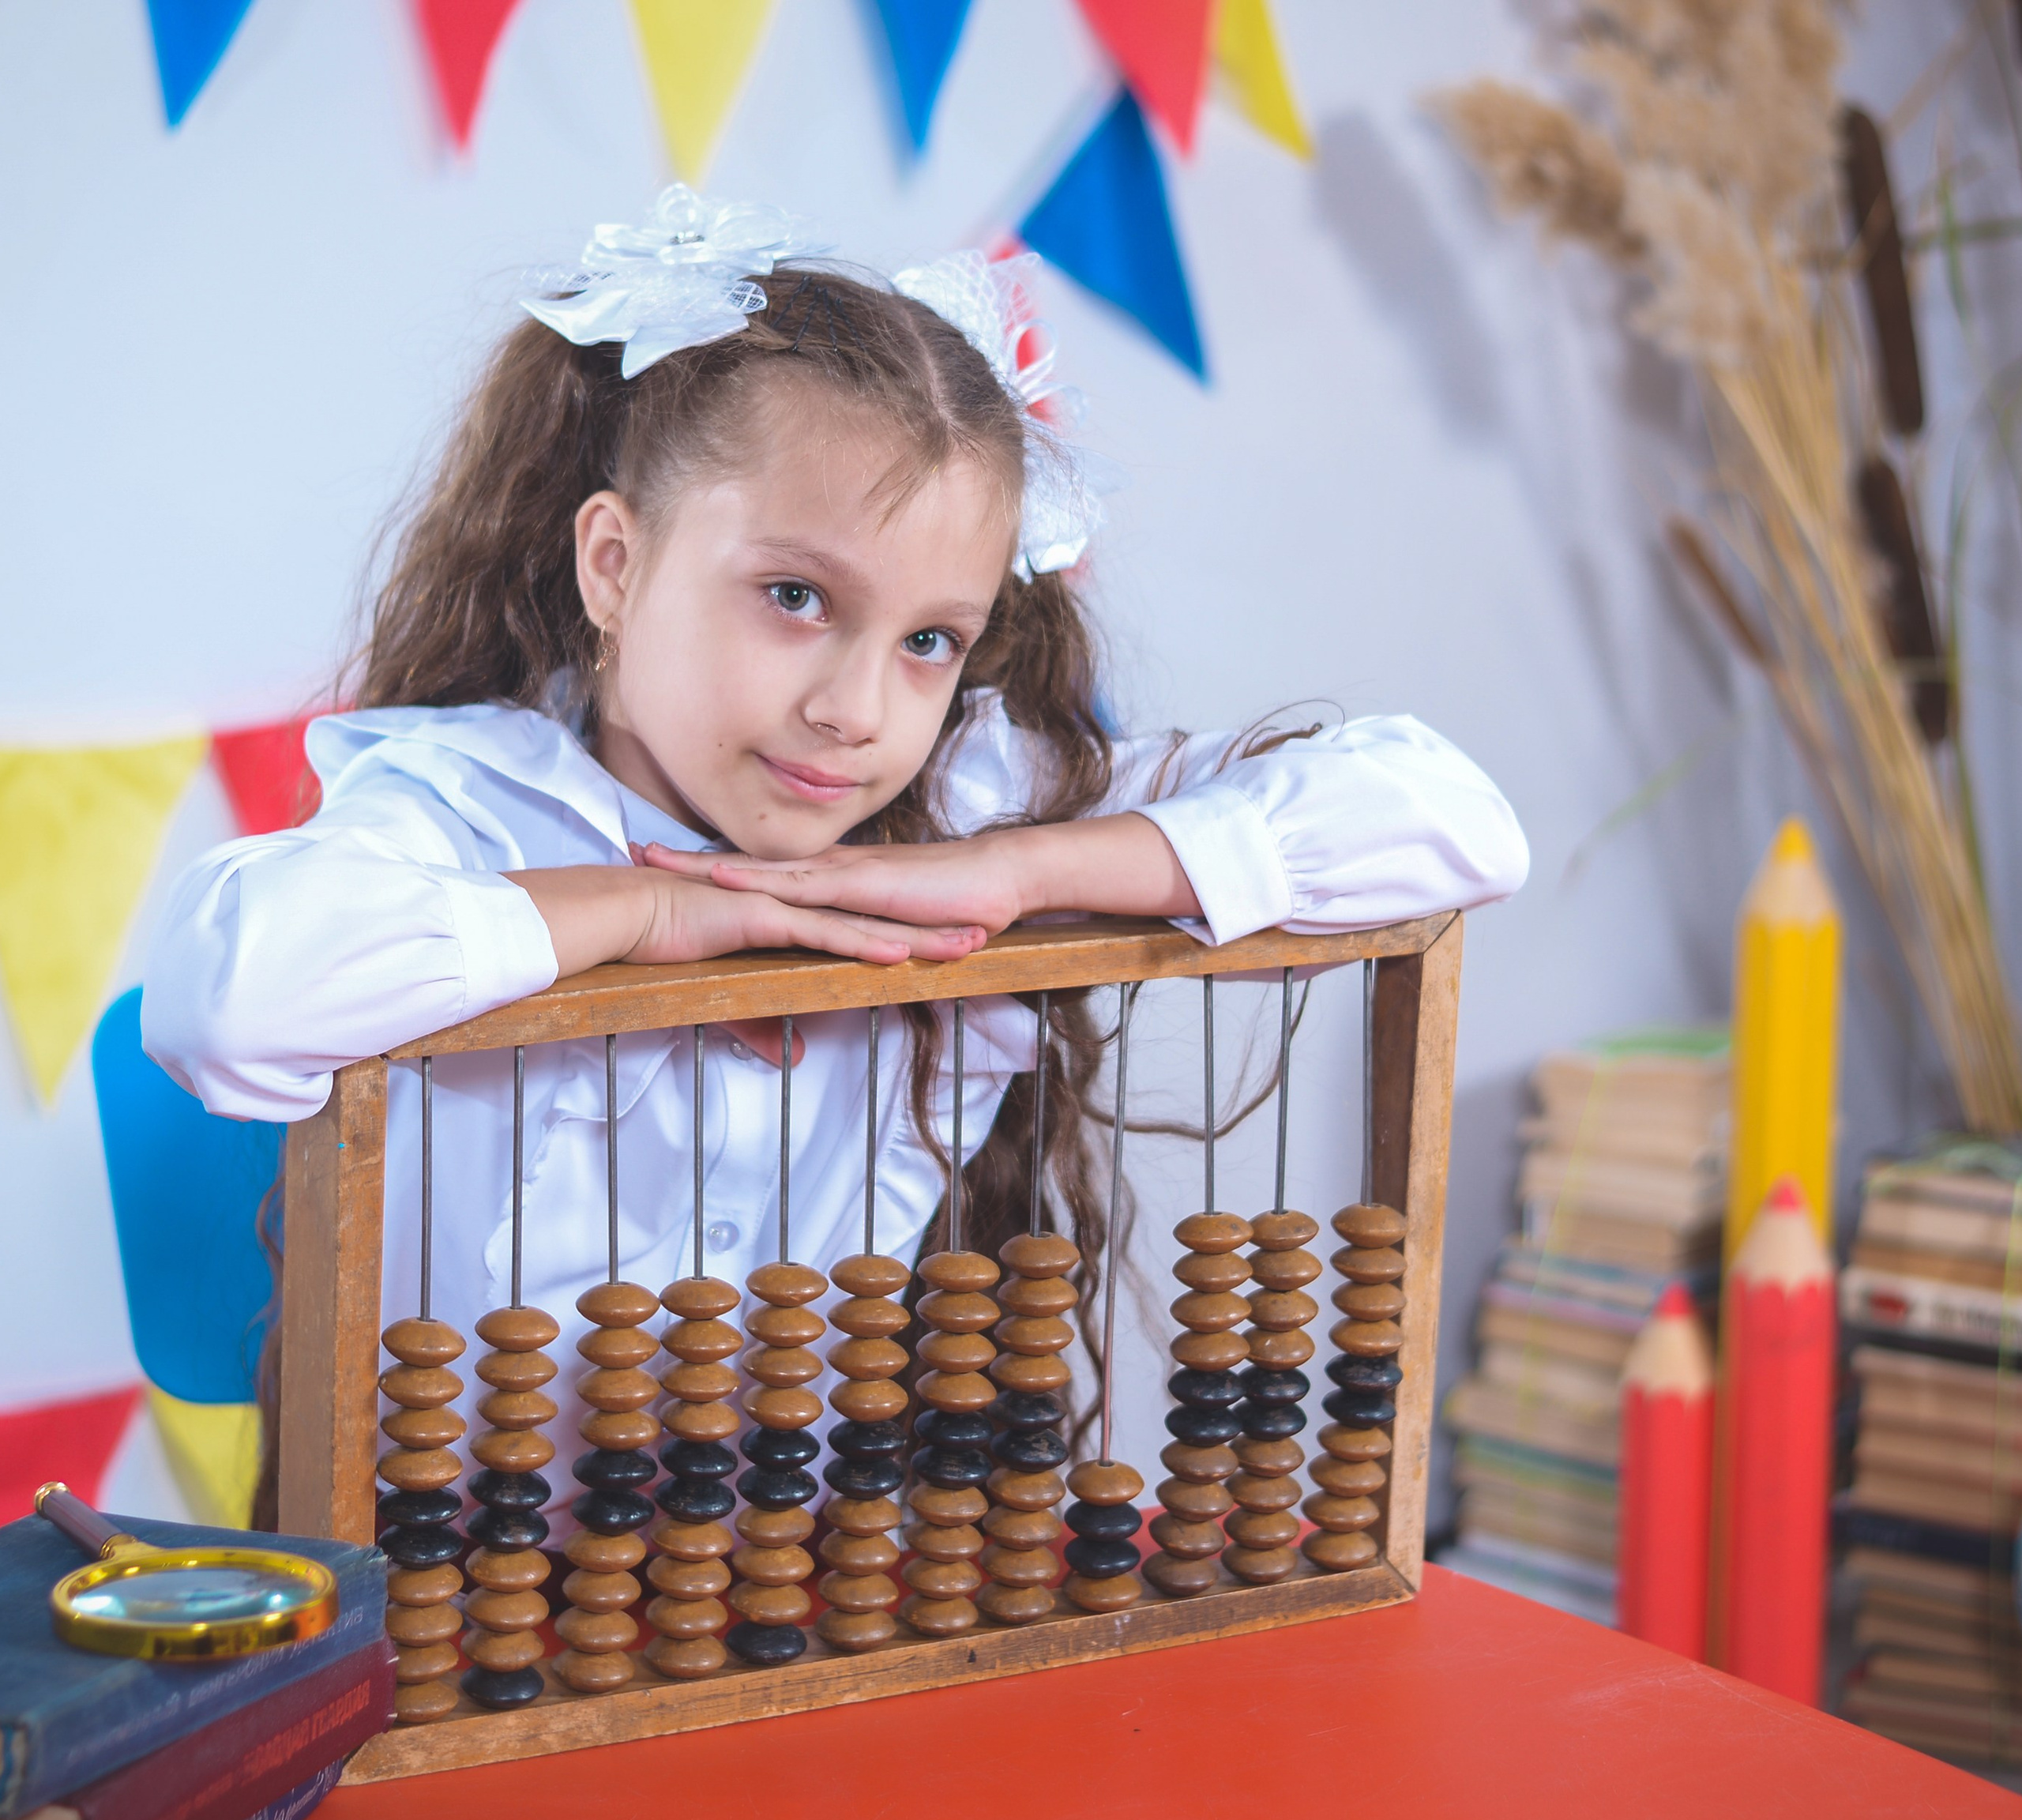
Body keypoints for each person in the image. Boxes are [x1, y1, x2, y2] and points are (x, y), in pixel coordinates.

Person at [142, 186, 1528, 1499]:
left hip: (789, 1596)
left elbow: (1454, 819)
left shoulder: (970, 805)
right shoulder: (462, 807)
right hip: (452, 1624)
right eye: (796, 596)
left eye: (930, 641)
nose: (856, 711)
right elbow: (232, 998)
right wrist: (646, 913)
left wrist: (1023, 871)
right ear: (614, 566)